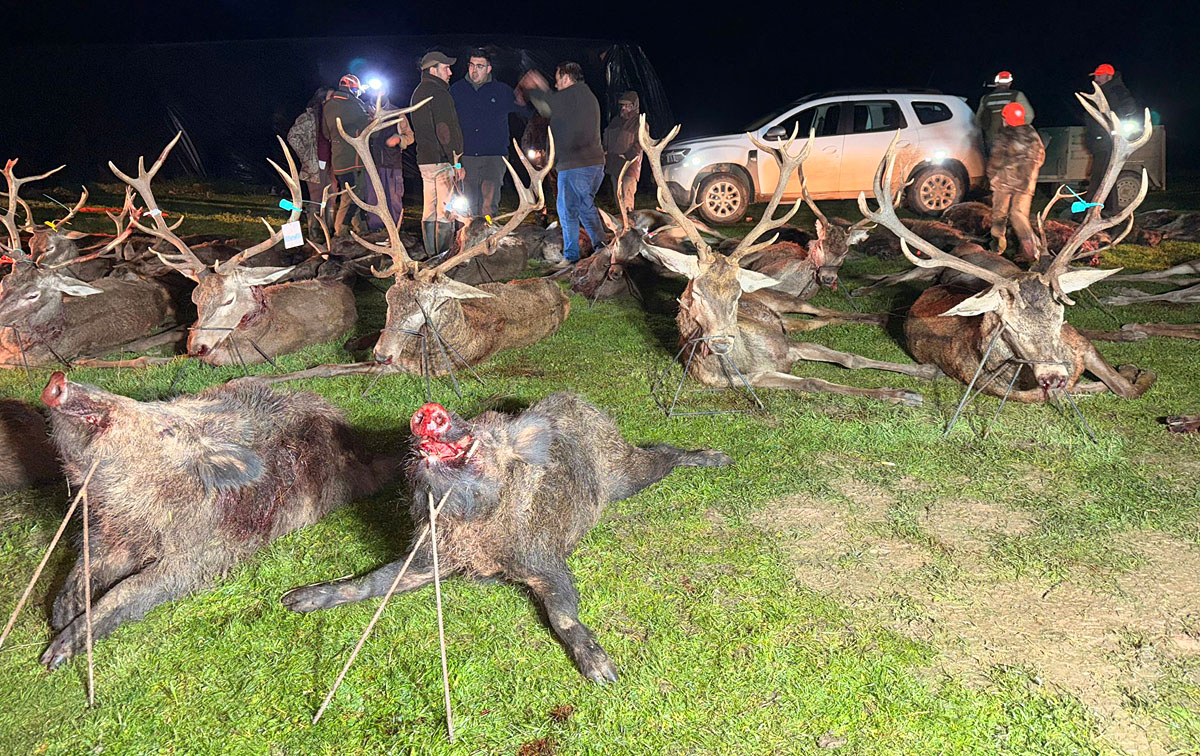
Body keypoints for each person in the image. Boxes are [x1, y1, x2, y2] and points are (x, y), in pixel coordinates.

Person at [520, 62, 606, 265]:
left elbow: (546, 106)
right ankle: (602, 247)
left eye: (558, 80)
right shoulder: (586, 96)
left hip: (575, 165)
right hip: (593, 164)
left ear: (567, 79)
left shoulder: (573, 94)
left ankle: (570, 257)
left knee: (567, 209)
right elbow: (553, 106)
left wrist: (533, 86)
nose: (556, 85)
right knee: (585, 206)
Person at [450, 48, 526, 218]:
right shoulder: (456, 90)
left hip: (494, 157)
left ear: (489, 69)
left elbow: (524, 111)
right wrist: (455, 160)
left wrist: (527, 97)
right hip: (466, 156)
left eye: (480, 66)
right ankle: (469, 241)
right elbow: (449, 124)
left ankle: (488, 240)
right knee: (467, 205)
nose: (474, 70)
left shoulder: (502, 91)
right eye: (471, 65)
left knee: (489, 205)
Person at [411, 50, 464, 258]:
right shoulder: (439, 92)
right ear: (433, 70)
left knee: (430, 208)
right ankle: (443, 256)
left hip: (425, 160)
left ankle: (432, 254)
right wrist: (456, 161)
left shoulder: (418, 92)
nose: (450, 72)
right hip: (443, 161)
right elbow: (445, 130)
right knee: (445, 211)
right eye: (445, 68)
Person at [987, 102, 1045, 263]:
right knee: (1019, 215)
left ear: (1005, 118)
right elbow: (1041, 156)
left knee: (999, 214)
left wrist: (992, 177)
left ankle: (997, 247)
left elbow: (995, 159)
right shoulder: (1032, 133)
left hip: (1004, 183)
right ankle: (1033, 250)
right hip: (1027, 184)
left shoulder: (1005, 135)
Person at [1083, 63, 1139, 208]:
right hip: (1098, 142)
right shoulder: (1099, 93)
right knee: (1106, 177)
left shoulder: (1117, 90)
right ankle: (1110, 209)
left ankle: (1088, 210)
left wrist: (1112, 117)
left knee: (1099, 177)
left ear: (1109, 76)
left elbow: (1130, 107)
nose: (1096, 78)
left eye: (1099, 75)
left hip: (1109, 142)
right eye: (1095, 75)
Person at [322, 74, 371, 236]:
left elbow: (326, 133)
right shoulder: (355, 105)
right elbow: (370, 131)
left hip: (339, 158)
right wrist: (373, 117)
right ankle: (340, 232)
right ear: (353, 89)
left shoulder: (328, 105)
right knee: (353, 196)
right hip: (354, 159)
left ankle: (361, 228)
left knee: (353, 194)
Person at [365, 95, 415, 231]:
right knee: (373, 199)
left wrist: (399, 139)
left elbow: (410, 136)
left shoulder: (397, 113)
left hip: (393, 166)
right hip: (371, 166)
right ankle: (376, 230)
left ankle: (396, 230)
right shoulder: (363, 111)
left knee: (393, 199)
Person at [287, 88, 328, 233]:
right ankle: (314, 232)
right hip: (313, 165)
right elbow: (292, 136)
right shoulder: (307, 118)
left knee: (330, 199)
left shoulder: (332, 117)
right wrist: (305, 156)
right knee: (315, 199)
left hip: (331, 164)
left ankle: (328, 232)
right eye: (329, 98)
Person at [975, 71, 1035, 157]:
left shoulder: (985, 98)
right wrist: (1019, 129)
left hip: (992, 140)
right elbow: (1029, 116)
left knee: (994, 165)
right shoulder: (1017, 95)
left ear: (996, 83)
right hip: (1012, 139)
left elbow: (978, 121)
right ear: (1010, 83)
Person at [602, 91, 642, 216]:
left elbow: (640, 145)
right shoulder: (615, 121)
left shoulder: (640, 123)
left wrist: (627, 155)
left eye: (627, 105)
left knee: (627, 200)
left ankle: (630, 228)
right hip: (614, 167)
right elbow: (606, 139)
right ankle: (623, 226)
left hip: (629, 168)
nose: (624, 108)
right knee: (618, 198)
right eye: (623, 105)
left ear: (634, 106)